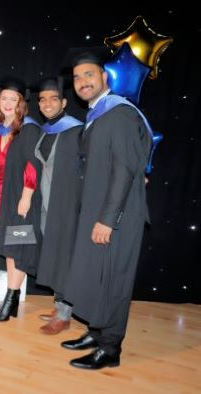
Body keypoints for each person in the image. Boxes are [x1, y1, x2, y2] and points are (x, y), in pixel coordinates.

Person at [60, 48, 152, 369]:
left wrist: (108, 219)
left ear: (103, 76)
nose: (82, 81)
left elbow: (125, 170)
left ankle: (110, 349)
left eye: (89, 74)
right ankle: (96, 333)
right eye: (77, 77)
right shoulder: (98, 115)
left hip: (117, 215)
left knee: (113, 280)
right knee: (95, 276)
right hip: (99, 212)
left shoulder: (120, 114)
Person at [0, 76, 41, 322]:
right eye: (4, 98)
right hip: (0, 197)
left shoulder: (29, 128)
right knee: (10, 249)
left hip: (20, 197)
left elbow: (34, 165)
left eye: (14, 99)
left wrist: (26, 196)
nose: (8, 103)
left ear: (21, 103)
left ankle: (10, 299)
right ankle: (10, 298)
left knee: (18, 247)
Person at [31, 76, 83, 335]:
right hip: (47, 205)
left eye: (54, 99)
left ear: (63, 102)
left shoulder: (75, 131)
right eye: (43, 99)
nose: (48, 103)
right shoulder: (45, 131)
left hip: (66, 206)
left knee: (64, 257)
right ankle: (60, 305)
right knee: (53, 255)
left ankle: (64, 315)